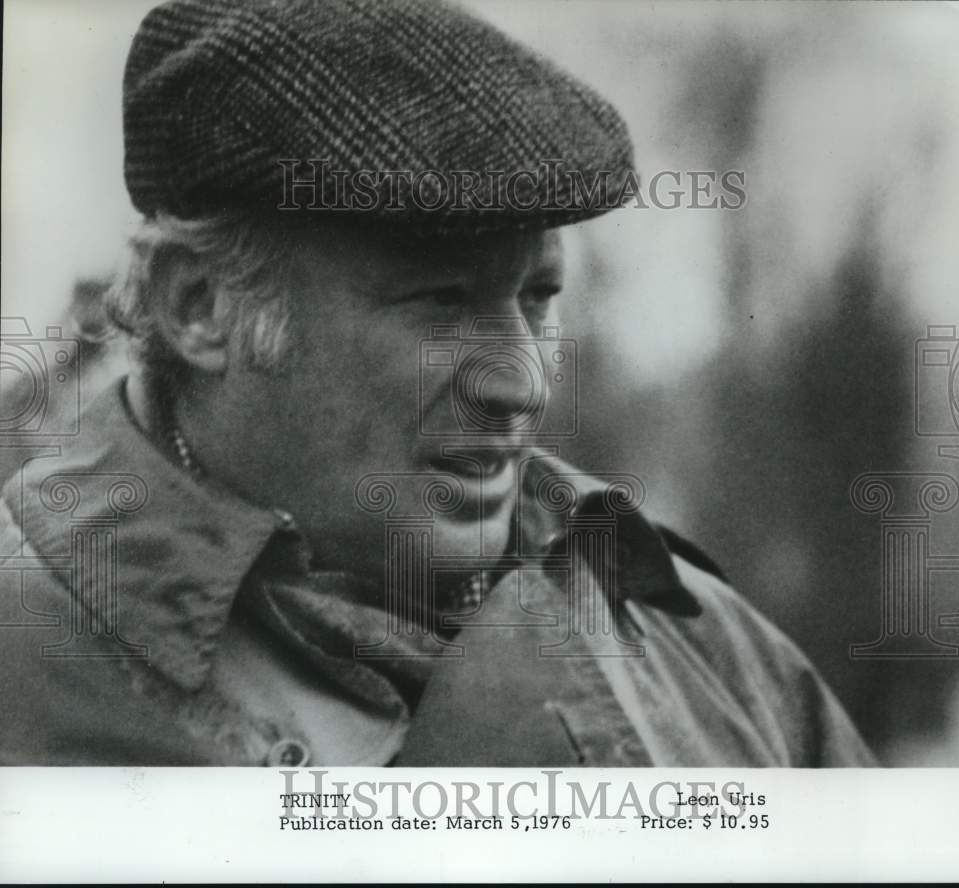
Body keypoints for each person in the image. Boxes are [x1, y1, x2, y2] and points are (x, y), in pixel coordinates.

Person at [0, 0, 874, 767]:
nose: (522, 386)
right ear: (200, 307)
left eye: (538, 296)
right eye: (444, 301)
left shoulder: (687, 628)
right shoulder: (30, 658)